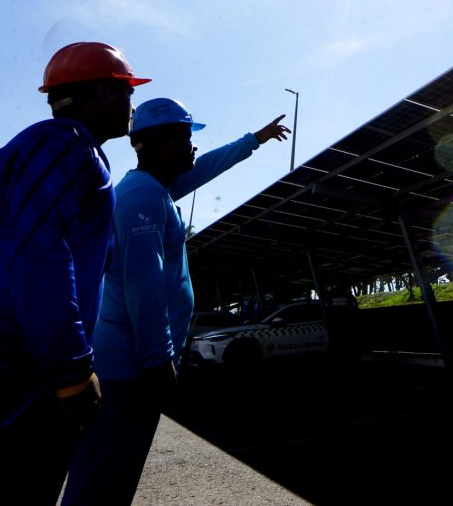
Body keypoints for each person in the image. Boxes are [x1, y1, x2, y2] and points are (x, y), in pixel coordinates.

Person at [0, 42, 151, 505]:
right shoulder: (67, 144)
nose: (130, 105)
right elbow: (41, 255)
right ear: (102, 91)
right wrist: (73, 372)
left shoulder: (47, 146)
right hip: (7, 387)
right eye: (125, 92)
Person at [62, 97, 290, 505]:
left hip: (129, 367)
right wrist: (158, 361)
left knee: (113, 475)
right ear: (163, 142)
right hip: (127, 370)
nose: (193, 146)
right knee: (104, 477)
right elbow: (143, 287)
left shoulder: (153, 189)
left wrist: (253, 140)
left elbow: (205, 168)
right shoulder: (141, 199)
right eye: (186, 137)